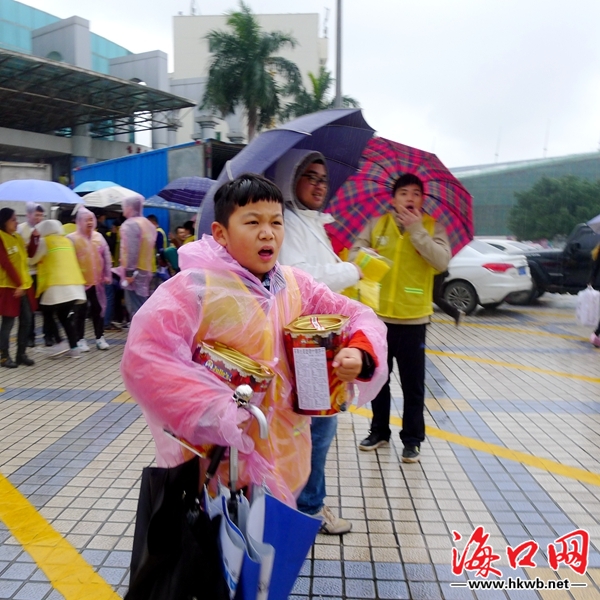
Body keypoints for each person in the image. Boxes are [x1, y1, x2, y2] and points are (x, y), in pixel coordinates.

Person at [121, 174, 387, 508]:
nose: (268, 232)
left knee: (272, 549)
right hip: (218, 462)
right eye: (253, 221)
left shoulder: (297, 285)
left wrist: (359, 353)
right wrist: (215, 410)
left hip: (287, 454)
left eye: (276, 222)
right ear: (221, 233)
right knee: (220, 552)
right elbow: (145, 358)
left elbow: (357, 318)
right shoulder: (195, 289)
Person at [275, 150, 362, 534]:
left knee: (317, 430)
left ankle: (305, 504)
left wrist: (350, 261)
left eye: (323, 178)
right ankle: (306, 509)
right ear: (292, 178)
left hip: (320, 345)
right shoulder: (289, 222)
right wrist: (350, 269)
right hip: (305, 348)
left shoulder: (312, 222)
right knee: (317, 431)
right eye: (310, 176)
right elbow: (302, 276)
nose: (319, 184)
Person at [351, 173, 451, 463]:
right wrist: (365, 255)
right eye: (404, 192)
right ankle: (379, 430)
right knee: (378, 378)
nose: (410, 198)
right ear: (393, 199)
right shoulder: (377, 225)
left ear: (422, 200)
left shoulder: (432, 227)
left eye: (416, 193)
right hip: (378, 317)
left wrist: (417, 230)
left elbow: (441, 261)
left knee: (413, 384)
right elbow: (354, 255)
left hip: (413, 319)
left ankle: (412, 439)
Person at [30, 220, 86, 358]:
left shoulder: (46, 241)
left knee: (47, 311)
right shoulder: (67, 241)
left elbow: (33, 260)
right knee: (64, 316)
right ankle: (74, 348)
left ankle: (60, 342)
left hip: (57, 286)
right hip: (74, 285)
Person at [67, 207, 112, 351]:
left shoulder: (98, 237)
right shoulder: (72, 238)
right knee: (80, 311)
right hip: (80, 282)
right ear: (79, 221)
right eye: (86, 219)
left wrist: (107, 274)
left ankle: (100, 337)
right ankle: (80, 339)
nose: (89, 222)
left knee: (98, 309)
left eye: (91, 219)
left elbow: (106, 256)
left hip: (97, 281)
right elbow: (68, 261)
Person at [0, 208, 34, 368]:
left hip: (23, 285)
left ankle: (21, 354)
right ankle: (4, 356)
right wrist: (18, 283)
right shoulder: (1, 238)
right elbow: (5, 263)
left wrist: (35, 239)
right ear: (4, 221)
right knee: (8, 322)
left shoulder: (17, 237)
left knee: (27, 319)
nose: (17, 222)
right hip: (8, 286)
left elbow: (29, 254)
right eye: (13, 219)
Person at [118, 195, 157, 318]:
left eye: (123, 206)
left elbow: (132, 249)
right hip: (146, 269)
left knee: (136, 309)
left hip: (135, 272)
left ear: (129, 207)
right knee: (143, 304)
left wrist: (129, 272)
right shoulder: (148, 224)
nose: (122, 208)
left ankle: (143, 335)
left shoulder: (130, 225)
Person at [17, 203, 44, 347]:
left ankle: (48, 335)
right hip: (28, 273)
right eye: (36, 215)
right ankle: (30, 336)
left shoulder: (44, 228)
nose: (39, 218)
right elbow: (22, 252)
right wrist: (33, 240)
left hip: (42, 272)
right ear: (28, 215)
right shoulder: (21, 229)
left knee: (44, 305)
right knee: (30, 308)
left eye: (41, 215)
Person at [589, 242, 600, 348]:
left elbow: (595, 269)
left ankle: (596, 335)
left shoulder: (598, 251)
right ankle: (596, 334)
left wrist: (590, 282)